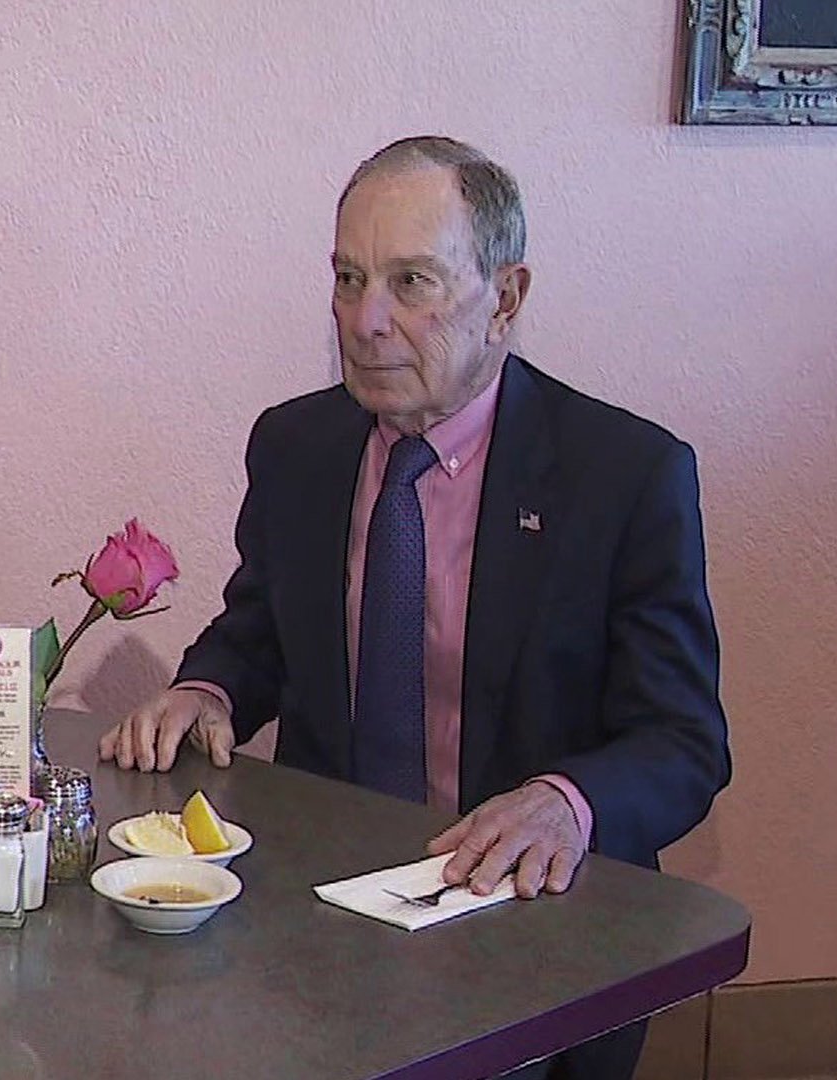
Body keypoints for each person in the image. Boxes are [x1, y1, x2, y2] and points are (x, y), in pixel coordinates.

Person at [97, 136, 730, 1080]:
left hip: (530, 923)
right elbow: (266, 626)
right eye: (348, 279)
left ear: (505, 300)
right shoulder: (298, 444)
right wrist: (211, 689)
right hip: (323, 923)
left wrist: (567, 802)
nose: (367, 321)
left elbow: (684, 741)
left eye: (412, 283)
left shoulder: (624, 475)